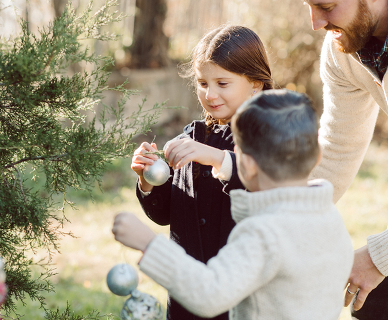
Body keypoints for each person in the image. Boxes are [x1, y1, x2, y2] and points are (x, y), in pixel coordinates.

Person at [113, 89, 354, 320]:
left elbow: (209, 293)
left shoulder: (263, 233)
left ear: (245, 163)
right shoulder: (329, 217)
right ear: (317, 155)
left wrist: (148, 242)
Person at [130, 24, 273, 320]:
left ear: (256, 83)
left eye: (222, 83)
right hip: (187, 291)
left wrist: (217, 158)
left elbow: (264, 188)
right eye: (202, 83)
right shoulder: (191, 138)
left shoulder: (268, 137)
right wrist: (148, 180)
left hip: (240, 296)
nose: (210, 94)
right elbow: (166, 214)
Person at [303, 0, 388, 318]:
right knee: (373, 306)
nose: (315, 22)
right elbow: (337, 150)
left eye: (325, 5)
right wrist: (281, 216)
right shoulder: (341, 53)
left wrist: (380, 257)